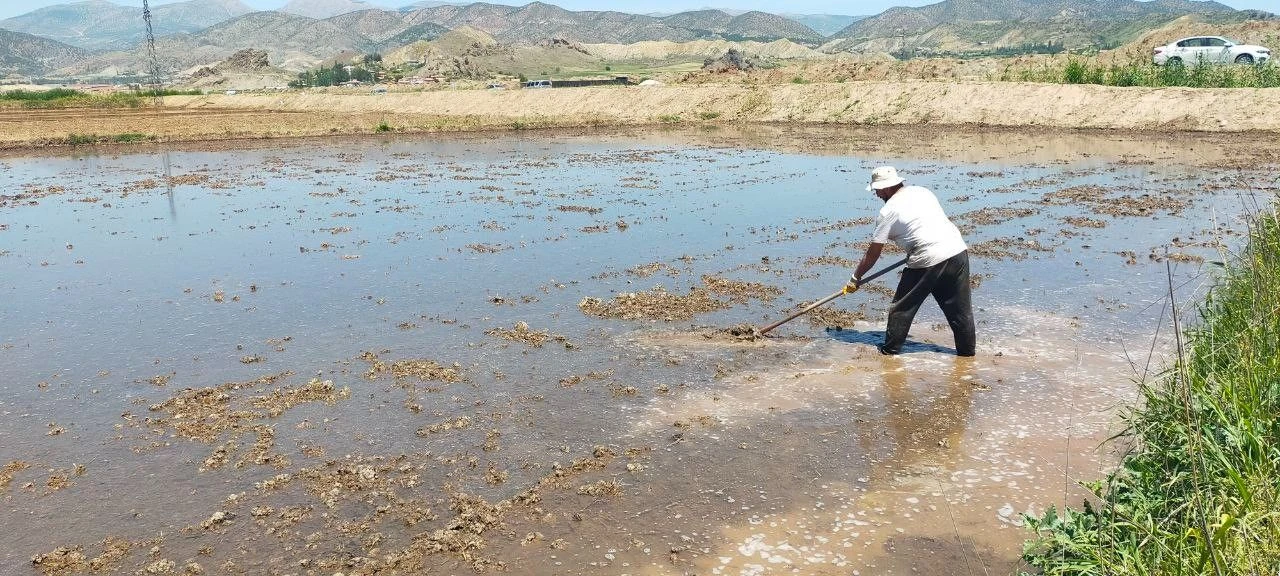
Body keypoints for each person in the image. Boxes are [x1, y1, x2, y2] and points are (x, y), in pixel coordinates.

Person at [847, 166, 975, 357]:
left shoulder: (888, 212)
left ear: (887, 188)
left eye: (878, 190)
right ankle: (967, 356)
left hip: (927, 258)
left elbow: (872, 254)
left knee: (901, 309)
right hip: (957, 251)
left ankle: (889, 354)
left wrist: (855, 278)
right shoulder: (922, 192)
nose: (877, 194)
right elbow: (924, 224)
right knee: (960, 311)